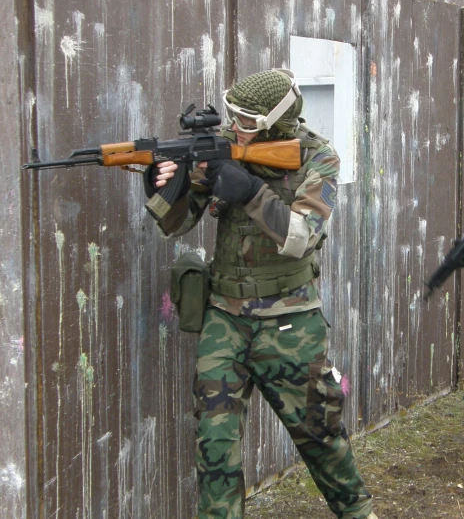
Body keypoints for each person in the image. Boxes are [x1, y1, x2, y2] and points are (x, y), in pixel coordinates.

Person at [145, 69, 376, 518]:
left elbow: (301, 237)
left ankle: (358, 513)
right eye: (233, 117)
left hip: (290, 321)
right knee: (214, 443)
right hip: (223, 317)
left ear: (277, 119)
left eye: (247, 121)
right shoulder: (223, 151)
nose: (236, 127)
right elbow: (175, 224)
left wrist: (250, 189)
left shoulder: (316, 157)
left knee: (319, 434)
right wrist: (163, 184)